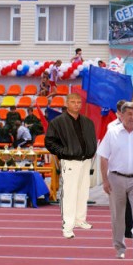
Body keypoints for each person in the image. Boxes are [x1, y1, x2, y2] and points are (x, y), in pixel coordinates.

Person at [98, 102, 133, 262]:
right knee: (118, 216)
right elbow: (104, 157)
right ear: (121, 115)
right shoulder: (112, 133)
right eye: (129, 114)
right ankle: (119, 248)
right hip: (116, 178)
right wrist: (105, 181)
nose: (132, 117)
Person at [45, 92, 98, 239]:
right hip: (70, 161)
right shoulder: (58, 122)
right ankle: (67, 226)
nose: (76, 105)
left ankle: (80, 220)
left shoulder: (87, 122)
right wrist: (63, 152)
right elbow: (49, 142)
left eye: (78, 102)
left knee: (83, 192)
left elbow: (92, 139)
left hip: (85, 161)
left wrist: (91, 150)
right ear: (67, 104)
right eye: (73, 102)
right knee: (69, 193)